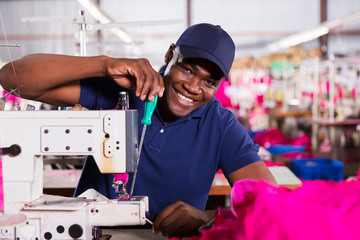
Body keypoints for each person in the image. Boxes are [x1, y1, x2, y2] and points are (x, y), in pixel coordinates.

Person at [0, 23, 276, 238]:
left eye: (209, 82)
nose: (194, 87)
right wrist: (104, 65)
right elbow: (12, 77)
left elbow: (272, 207)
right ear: (170, 55)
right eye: (188, 70)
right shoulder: (120, 90)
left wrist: (207, 218)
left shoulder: (222, 127)